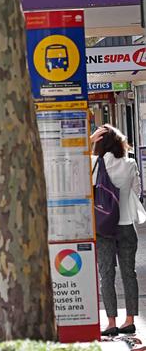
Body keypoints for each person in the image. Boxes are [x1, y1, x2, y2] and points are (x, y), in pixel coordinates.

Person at [91, 124, 146, 336]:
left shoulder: (96, 163)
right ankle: (130, 320)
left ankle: (111, 323)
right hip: (126, 226)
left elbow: (72, 159)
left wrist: (89, 139)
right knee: (128, 274)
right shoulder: (131, 163)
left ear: (100, 142)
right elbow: (136, 192)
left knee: (106, 274)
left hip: (104, 227)